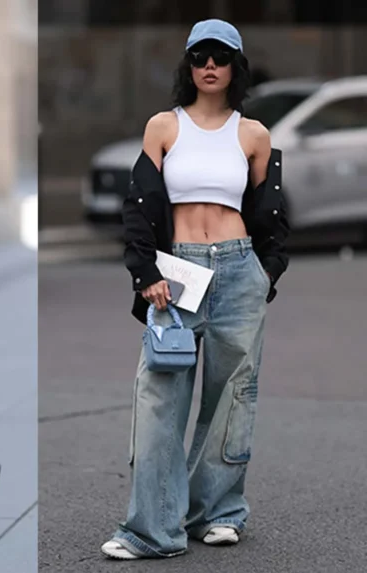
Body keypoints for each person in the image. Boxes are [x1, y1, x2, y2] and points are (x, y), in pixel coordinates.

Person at [100, 19, 289, 560]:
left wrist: (265, 272)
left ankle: (218, 511)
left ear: (235, 67)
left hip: (237, 270)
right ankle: (151, 530)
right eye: (201, 56)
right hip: (175, 274)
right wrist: (146, 274)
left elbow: (271, 215)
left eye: (221, 57)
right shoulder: (164, 126)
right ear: (188, 65)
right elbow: (137, 208)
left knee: (233, 397)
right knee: (160, 398)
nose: (210, 66)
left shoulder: (252, 134)